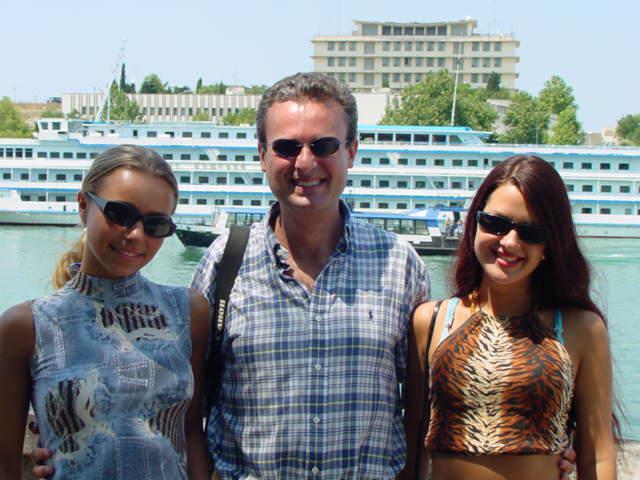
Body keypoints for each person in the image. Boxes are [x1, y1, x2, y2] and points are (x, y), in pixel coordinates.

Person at [28, 76, 577, 479]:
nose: (305, 162)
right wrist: (63, 440)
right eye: (287, 147)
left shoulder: (401, 265)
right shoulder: (223, 263)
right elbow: (179, 400)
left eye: (324, 145)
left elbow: (423, 407)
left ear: (352, 151)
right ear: (262, 156)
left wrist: (550, 439)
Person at [0, 145, 211, 479]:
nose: (136, 235)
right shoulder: (27, 326)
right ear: (84, 205)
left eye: (155, 225)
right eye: (120, 214)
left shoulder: (188, 312)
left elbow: (191, 433)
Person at [404, 155, 617, 480]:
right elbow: (413, 443)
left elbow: (598, 454)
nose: (510, 242)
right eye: (495, 223)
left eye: (531, 232)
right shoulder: (430, 322)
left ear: (550, 244)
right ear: (475, 223)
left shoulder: (580, 328)